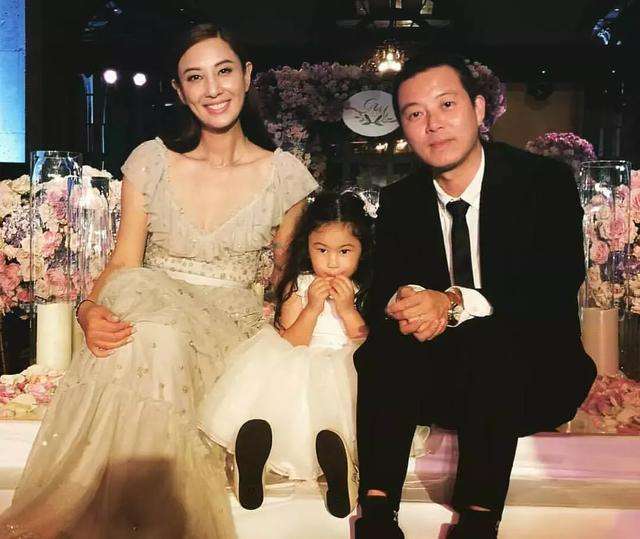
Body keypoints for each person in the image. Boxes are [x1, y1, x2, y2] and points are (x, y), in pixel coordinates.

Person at [0, 23, 317, 539]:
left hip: (227, 333)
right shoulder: (151, 161)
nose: (212, 89)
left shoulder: (286, 176)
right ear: (179, 90)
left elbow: (283, 286)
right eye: (195, 77)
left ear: (247, 75)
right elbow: (124, 261)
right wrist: (87, 310)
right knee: (151, 331)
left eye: (224, 71)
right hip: (151, 314)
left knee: (159, 336)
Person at [353, 53, 597, 539]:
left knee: (490, 337)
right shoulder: (401, 200)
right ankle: (377, 514)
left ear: (479, 109)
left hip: (530, 375)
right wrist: (406, 299)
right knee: (387, 342)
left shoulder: (543, 182)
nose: (433, 124)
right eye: (415, 114)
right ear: (404, 128)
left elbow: (554, 284)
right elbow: (382, 293)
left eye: (447, 105)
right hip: (441, 380)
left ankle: (478, 521)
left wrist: (454, 301)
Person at [198, 191, 374, 519]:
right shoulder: (301, 286)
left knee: (353, 402)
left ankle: (342, 465)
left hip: (347, 362)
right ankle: (253, 462)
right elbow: (291, 342)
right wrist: (312, 307)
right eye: (322, 250)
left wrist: (348, 309)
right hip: (300, 360)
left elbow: (367, 342)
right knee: (281, 398)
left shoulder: (364, 290)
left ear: (362, 251)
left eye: (344, 251)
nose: (332, 262)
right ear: (307, 247)